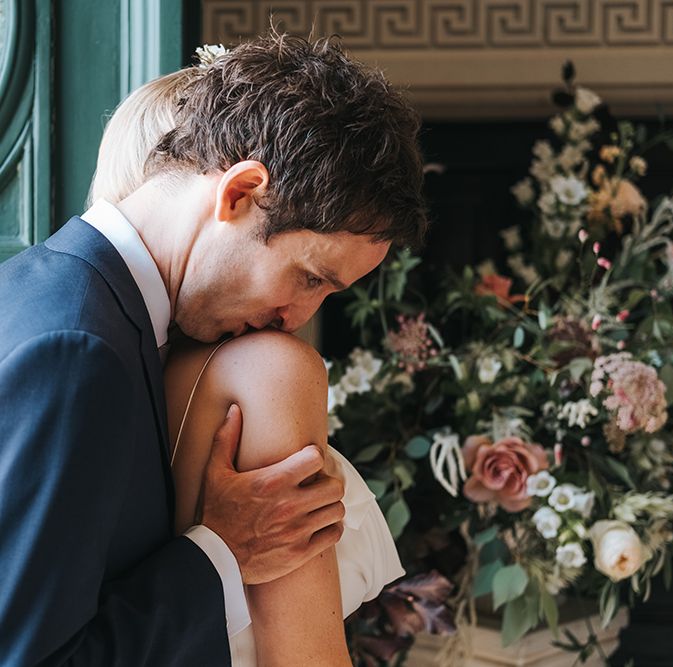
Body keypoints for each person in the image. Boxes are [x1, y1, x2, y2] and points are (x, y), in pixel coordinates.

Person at [0, 31, 426, 666]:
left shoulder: (66, 296)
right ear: (240, 194)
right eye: (310, 277)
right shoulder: (77, 347)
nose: (299, 318)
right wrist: (221, 553)